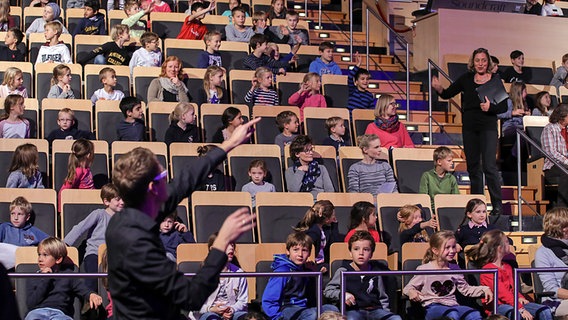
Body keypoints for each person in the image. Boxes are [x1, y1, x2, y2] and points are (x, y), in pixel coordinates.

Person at [105, 116, 259, 319]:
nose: (167, 179)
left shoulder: (134, 213)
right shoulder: (137, 245)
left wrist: (228, 145)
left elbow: (183, 183)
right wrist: (221, 244)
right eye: (162, 176)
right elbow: (191, 297)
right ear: (152, 189)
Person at [431, 47, 507, 216]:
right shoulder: (466, 78)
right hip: (470, 127)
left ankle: (497, 206)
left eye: (483, 60)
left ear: (488, 62)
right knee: (473, 167)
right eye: (477, 60)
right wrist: (439, 88)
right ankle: (477, 205)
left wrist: (490, 107)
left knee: (489, 166)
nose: (480, 64)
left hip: (488, 127)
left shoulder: (495, 79)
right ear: (473, 62)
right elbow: (448, 93)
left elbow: (503, 106)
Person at [402, 230, 493, 320]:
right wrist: (411, 291)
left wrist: (484, 289)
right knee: (451, 314)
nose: (452, 251)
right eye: (447, 248)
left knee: (473, 314)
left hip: (452, 305)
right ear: (435, 250)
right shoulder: (424, 269)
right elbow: (408, 288)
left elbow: (466, 289)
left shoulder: (455, 268)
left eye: (453, 247)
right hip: (432, 307)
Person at [467, 229, 553, 320]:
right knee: (515, 313)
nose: (510, 245)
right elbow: (502, 294)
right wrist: (520, 308)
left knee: (544, 310)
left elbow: (513, 289)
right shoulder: (489, 270)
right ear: (500, 248)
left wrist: (520, 298)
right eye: (507, 242)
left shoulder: (507, 266)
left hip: (513, 303)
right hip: (497, 306)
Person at [324, 231, 401, 320]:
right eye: (356, 249)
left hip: (375, 310)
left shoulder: (375, 272)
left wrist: (386, 312)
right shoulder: (343, 271)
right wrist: (342, 294)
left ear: (371, 254)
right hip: (353, 311)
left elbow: (382, 297)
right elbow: (328, 291)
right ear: (350, 253)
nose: (361, 253)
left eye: (366, 249)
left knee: (396, 318)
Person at [262, 232, 339, 320]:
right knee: (311, 314)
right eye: (296, 250)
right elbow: (268, 300)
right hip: (287, 308)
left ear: (309, 253)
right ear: (288, 251)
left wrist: (313, 276)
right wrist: (278, 317)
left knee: (333, 309)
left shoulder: (306, 270)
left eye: (304, 250)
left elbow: (316, 297)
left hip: (305, 307)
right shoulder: (282, 271)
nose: (300, 254)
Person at [25, 237, 103, 320]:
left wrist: (91, 294)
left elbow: (83, 289)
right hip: (37, 312)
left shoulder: (68, 275)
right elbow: (31, 303)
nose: (40, 259)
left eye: (45, 255)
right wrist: (45, 279)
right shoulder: (34, 277)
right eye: (39, 254)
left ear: (58, 259)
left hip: (59, 313)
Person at [64, 184, 124, 291]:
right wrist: (65, 243)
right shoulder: (99, 214)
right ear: (106, 202)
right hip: (95, 253)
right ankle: (90, 300)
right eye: (118, 199)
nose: (122, 202)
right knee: (92, 278)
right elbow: (80, 228)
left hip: (113, 256)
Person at [192, 232, 248, 320]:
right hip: (209, 312)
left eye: (232, 244)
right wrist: (211, 309)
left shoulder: (239, 272)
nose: (231, 248)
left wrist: (231, 309)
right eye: (226, 244)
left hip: (232, 312)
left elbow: (243, 301)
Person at [535, 207, 568, 318]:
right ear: (557, 228)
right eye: (565, 226)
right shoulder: (543, 252)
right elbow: (551, 289)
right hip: (557, 301)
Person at [285, 135, 335, 199]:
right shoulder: (290, 171)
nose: (311, 153)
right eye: (307, 151)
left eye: (311, 149)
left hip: (320, 202)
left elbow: (330, 190)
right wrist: (300, 171)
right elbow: (293, 190)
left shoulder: (321, 168)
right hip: (301, 202)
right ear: (297, 154)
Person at [295, 200, 338, 272]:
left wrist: (335, 225)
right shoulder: (313, 232)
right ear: (327, 219)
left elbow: (335, 243)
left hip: (322, 263)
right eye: (333, 215)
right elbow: (307, 254)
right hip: (313, 265)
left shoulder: (325, 229)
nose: (335, 217)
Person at [541, 104, 568, 207]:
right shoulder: (550, 129)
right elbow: (551, 153)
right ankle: (562, 208)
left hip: (565, 164)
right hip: (553, 166)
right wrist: (566, 161)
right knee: (566, 169)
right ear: (562, 116)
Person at [58, 139, 95, 211]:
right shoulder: (79, 171)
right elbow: (63, 191)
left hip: (91, 201)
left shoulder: (87, 169)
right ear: (89, 155)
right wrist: (60, 211)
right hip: (83, 205)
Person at [418, 146, 459, 210]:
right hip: (431, 211)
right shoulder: (427, 176)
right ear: (439, 162)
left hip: (447, 210)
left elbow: (456, 199)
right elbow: (423, 199)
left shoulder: (451, 178)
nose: (452, 163)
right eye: (449, 161)